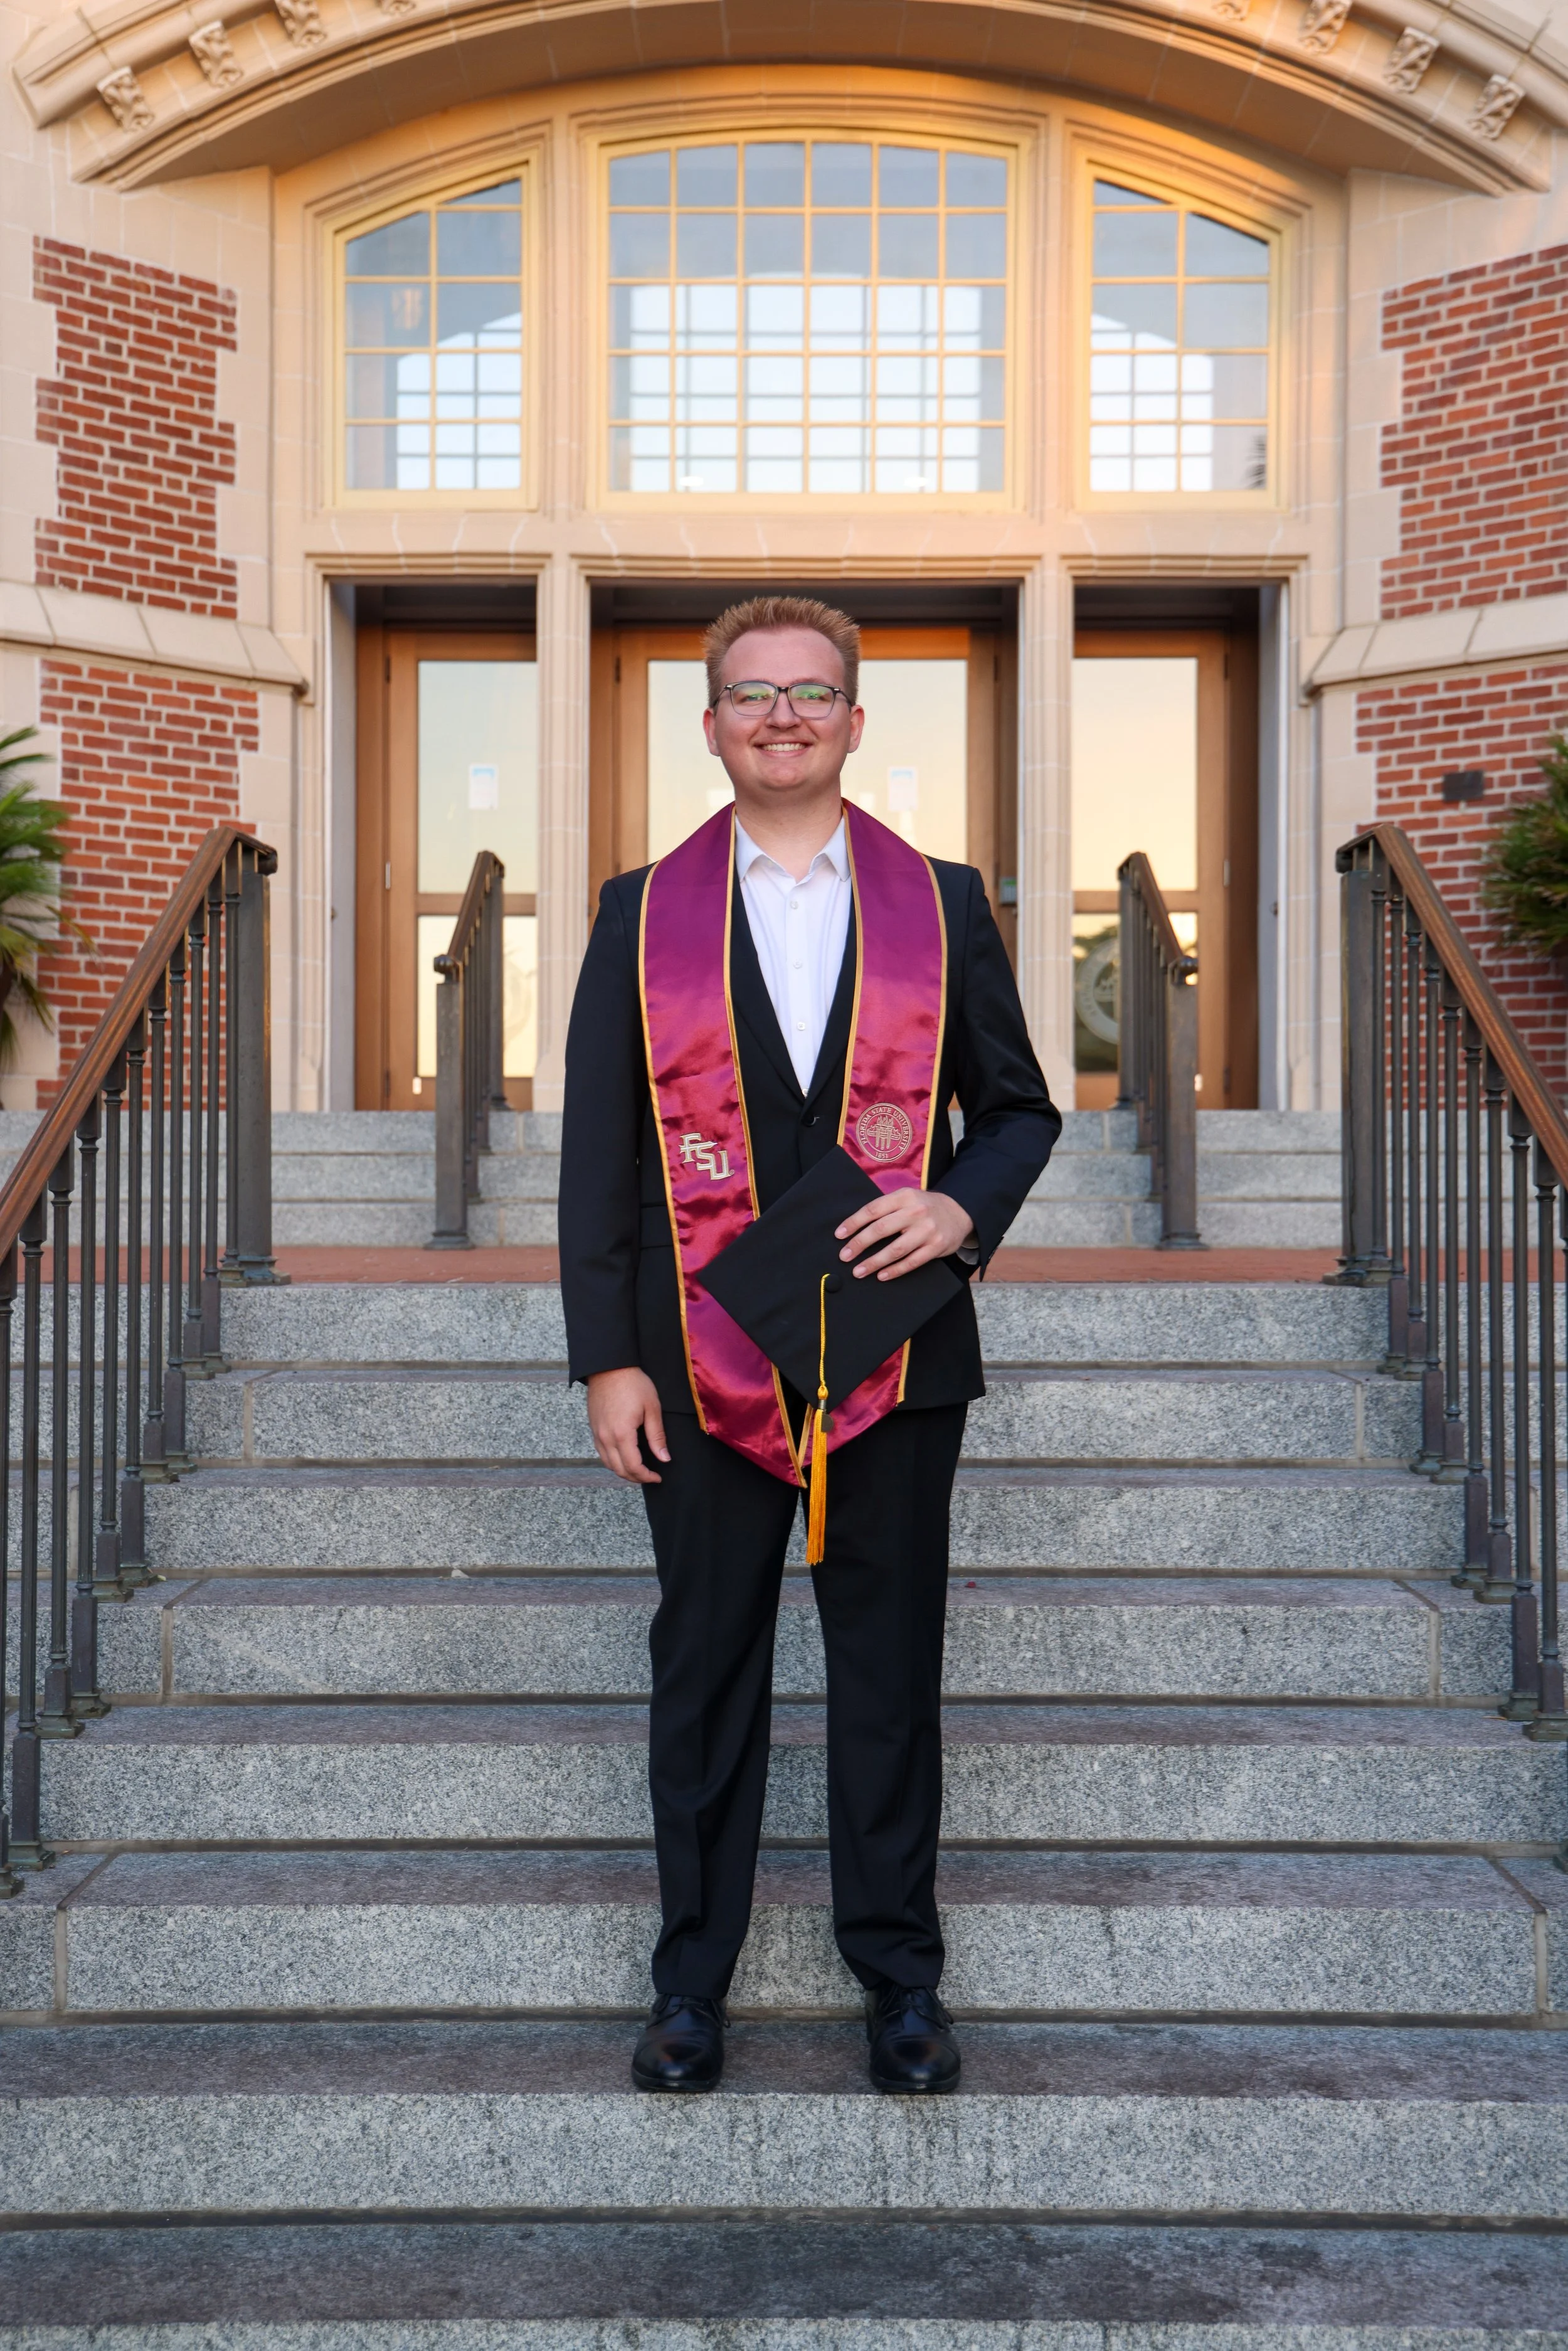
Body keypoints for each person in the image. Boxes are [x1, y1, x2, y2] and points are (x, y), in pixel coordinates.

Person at [559, 594, 1060, 2096]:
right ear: (707, 726)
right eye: (750, 693)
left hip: (895, 1357)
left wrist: (958, 1210)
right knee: (702, 1675)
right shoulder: (636, 908)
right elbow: (599, 1155)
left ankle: (900, 1981)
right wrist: (607, 1354)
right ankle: (688, 1987)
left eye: (812, 691)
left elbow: (1021, 1107)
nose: (782, 714)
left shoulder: (944, 899)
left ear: (853, 720)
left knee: (887, 1675)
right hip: (693, 1358)